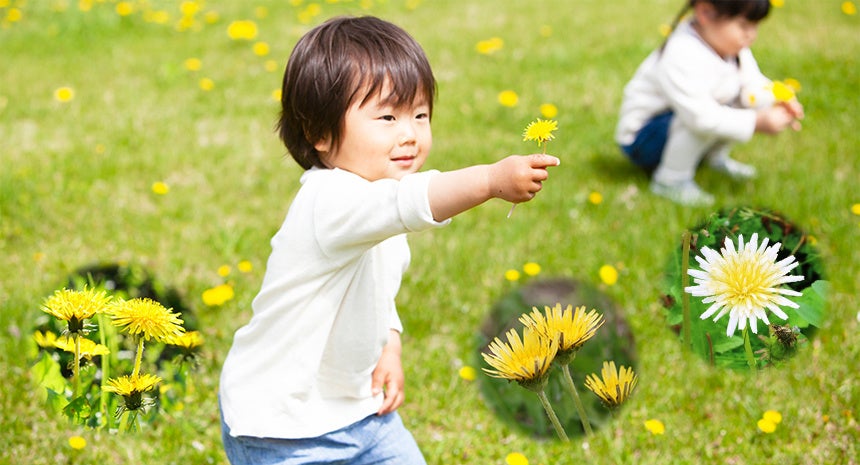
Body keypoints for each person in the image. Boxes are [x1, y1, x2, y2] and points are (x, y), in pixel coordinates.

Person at [218, 15, 559, 465]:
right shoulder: (331, 201)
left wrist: (390, 345)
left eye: (420, 114)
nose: (410, 133)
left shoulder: (376, 204)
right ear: (319, 132)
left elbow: (378, 292)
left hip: (362, 414)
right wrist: (491, 180)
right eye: (387, 116)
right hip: (284, 427)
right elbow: (414, 200)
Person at [614, 0, 804, 206]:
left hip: (679, 124)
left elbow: (752, 85)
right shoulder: (681, 53)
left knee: (735, 104)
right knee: (709, 116)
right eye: (743, 25)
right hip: (644, 140)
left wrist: (775, 101)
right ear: (705, 12)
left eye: (755, 26)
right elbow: (699, 117)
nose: (751, 35)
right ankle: (670, 180)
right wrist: (757, 121)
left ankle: (712, 158)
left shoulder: (730, 46)